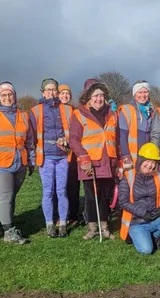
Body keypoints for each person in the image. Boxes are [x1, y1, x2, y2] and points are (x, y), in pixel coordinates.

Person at [0, 81, 35, 244]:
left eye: (10, 94)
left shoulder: (23, 115)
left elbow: (29, 141)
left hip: (20, 164)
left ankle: (9, 225)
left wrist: (31, 161)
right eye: (3, 95)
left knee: (11, 197)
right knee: (6, 197)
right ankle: (8, 232)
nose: (7, 98)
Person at [69, 78, 119, 240]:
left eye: (102, 95)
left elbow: (116, 138)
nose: (99, 99)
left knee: (105, 194)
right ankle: (92, 227)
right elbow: (74, 139)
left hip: (108, 161)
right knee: (91, 195)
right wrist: (84, 158)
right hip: (89, 162)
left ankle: (104, 226)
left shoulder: (112, 114)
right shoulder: (79, 114)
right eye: (95, 95)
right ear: (88, 97)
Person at [29, 78, 72, 238]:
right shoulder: (35, 111)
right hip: (45, 157)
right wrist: (32, 157)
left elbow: (72, 133)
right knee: (48, 191)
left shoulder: (67, 110)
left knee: (62, 191)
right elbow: (31, 136)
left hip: (62, 156)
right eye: (48, 89)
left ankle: (62, 224)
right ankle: (49, 224)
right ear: (42, 92)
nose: (51, 92)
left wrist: (66, 141)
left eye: (54, 89)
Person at [118, 143, 160, 254]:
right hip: (136, 222)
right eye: (147, 161)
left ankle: (154, 236)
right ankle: (138, 235)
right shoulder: (128, 176)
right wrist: (143, 213)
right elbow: (123, 202)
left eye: (153, 162)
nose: (150, 165)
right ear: (140, 160)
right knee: (146, 250)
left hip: (154, 219)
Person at [58, 84, 82, 227]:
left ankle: (73, 215)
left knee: (73, 185)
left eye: (67, 93)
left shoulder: (74, 111)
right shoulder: (54, 110)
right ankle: (61, 214)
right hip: (60, 153)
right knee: (61, 186)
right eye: (62, 93)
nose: (65, 96)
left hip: (73, 153)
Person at [118, 80, 154, 170]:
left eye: (145, 92)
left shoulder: (153, 111)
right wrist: (126, 156)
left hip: (148, 157)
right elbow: (122, 135)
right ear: (134, 94)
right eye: (140, 92)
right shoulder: (127, 110)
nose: (143, 95)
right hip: (132, 157)